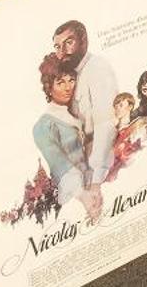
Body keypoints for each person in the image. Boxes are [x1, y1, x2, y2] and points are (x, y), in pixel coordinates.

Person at [31, 54, 101, 223]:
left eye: (71, 80)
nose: (68, 87)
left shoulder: (78, 113)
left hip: (96, 185)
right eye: (60, 82)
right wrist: (83, 196)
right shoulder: (43, 126)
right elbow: (59, 166)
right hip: (75, 198)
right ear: (49, 87)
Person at [52, 20, 118, 193]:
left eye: (68, 43)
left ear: (83, 40)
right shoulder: (73, 75)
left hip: (103, 171)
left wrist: (96, 179)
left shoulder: (97, 68)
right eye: (57, 47)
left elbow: (106, 126)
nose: (62, 52)